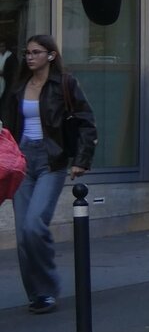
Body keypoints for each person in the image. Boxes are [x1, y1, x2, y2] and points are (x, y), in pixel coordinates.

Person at [0, 34, 97, 315]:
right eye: (27, 52)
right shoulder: (18, 87)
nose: (30, 57)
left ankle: (49, 285)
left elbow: (86, 123)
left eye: (36, 52)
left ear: (51, 55)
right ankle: (38, 294)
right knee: (22, 235)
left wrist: (81, 160)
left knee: (34, 225)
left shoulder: (65, 84)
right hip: (21, 161)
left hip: (51, 161)